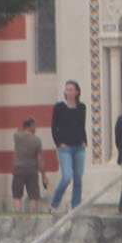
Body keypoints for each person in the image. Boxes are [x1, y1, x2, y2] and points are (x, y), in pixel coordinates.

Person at [48, 80, 87, 212]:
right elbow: (54, 127)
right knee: (66, 177)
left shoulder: (82, 107)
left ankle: (75, 204)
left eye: (71, 89)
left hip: (79, 146)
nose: (69, 91)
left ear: (76, 92)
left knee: (78, 178)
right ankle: (54, 204)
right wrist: (59, 143)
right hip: (65, 148)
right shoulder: (59, 107)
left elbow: (81, 125)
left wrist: (84, 140)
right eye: (67, 89)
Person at [11, 117, 46, 213]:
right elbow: (40, 159)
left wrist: (23, 127)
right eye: (35, 126)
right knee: (33, 195)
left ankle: (18, 214)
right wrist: (43, 175)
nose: (36, 128)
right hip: (32, 170)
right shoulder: (37, 140)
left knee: (17, 195)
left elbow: (18, 129)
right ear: (31, 126)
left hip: (19, 169)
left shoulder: (17, 136)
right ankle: (32, 215)